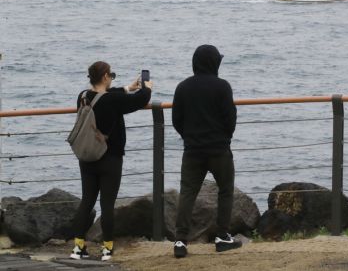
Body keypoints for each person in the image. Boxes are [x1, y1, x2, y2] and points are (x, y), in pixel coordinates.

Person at [70, 61, 152, 261]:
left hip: (87, 156)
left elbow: (105, 95)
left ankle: (78, 247)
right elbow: (140, 100)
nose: (112, 79)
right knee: (107, 204)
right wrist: (146, 88)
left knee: (87, 201)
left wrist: (127, 88)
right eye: (111, 75)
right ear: (105, 77)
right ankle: (107, 249)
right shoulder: (112, 101)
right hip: (110, 158)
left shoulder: (82, 97)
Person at [172, 44, 240, 258]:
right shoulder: (222, 87)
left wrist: (189, 136)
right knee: (226, 190)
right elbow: (230, 119)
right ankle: (222, 237)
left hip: (192, 150)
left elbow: (176, 120)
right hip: (219, 149)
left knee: (188, 193)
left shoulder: (183, 87)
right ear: (213, 63)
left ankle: (181, 241)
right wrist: (224, 137)